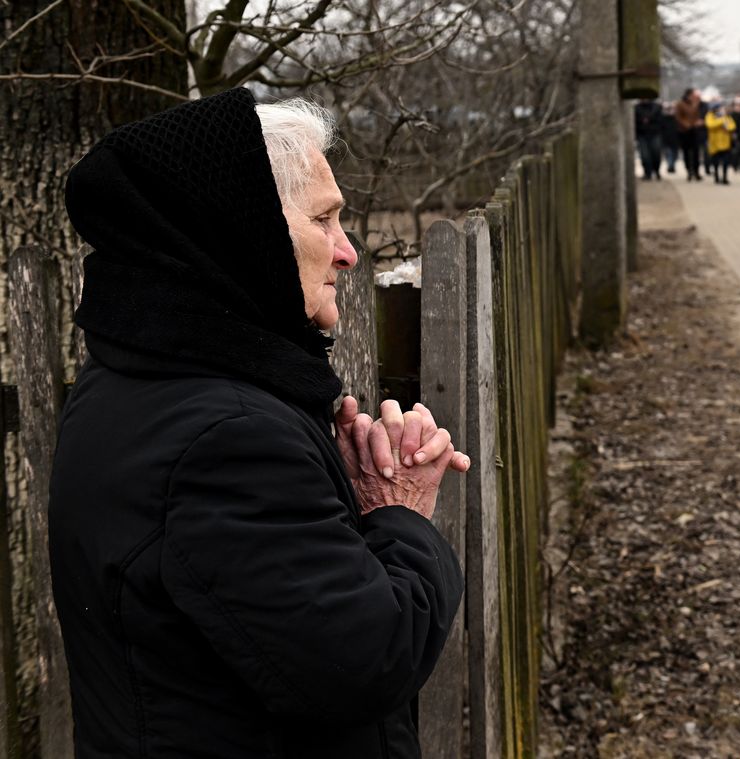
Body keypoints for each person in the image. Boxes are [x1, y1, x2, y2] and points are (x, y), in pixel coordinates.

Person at [50, 88, 469, 757]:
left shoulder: (143, 377)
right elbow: (368, 658)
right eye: (325, 221)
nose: (348, 252)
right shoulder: (226, 439)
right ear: (247, 233)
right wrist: (401, 511)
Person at [675, 88, 704, 181]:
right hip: (684, 131)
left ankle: (696, 171)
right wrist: (687, 124)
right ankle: (689, 171)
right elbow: (678, 117)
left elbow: (698, 115)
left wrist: (697, 122)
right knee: (686, 152)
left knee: (696, 152)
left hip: (694, 131)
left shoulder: (695, 104)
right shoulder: (680, 104)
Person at [705, 101, 736, 185]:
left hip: (725, 142)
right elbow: (710, 125)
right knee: (715, 162)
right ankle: (717, 177)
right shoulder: (710, 115)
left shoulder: (726, 116)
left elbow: (732, 126)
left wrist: (726, 125)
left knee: (726, 161)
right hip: (714, 143)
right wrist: (721, 121)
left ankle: (725, 177)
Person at [634, 97, 664, 180]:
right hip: (642, 134)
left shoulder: (657, 107)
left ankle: (656, 170)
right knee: (645, 155)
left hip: (655, 133)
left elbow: (661, 121)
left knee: (656, 153)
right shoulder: (637, 108)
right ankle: (647, 172)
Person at [661, 102, 681, 174]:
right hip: (667, 138)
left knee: (674, 153)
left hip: (675, 138)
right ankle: (670, 165)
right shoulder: (663, 118)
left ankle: (672, 165)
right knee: (668, 153)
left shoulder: (676, 118)